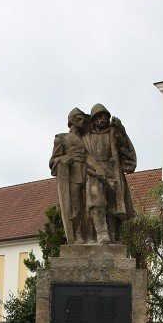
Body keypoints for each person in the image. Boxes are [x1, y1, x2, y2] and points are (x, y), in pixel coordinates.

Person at [82, 104, 137, 243]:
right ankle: (101, 233)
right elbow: (84, 156)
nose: (103, 119)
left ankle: (111, 234)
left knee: (113, 205)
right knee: (97, 200)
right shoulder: (86, 136)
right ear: (93, 119)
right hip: (93, 173)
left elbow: (126, 150)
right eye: (99, 116)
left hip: (113, 171)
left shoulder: (113, 132)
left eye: (105, 116)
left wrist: (122, 132)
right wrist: (95, 169)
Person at [49, 108, 89, 243]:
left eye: (83, 119)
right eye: (79, 119)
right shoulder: (61, 138)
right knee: (75, 207)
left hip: (89, 174)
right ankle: (77, 235)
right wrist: (63, 158)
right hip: (73, 176)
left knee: (89, 207)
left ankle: (89, 234)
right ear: (71, 121)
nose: (82, 121)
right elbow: (52, 161)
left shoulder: (86, 139)